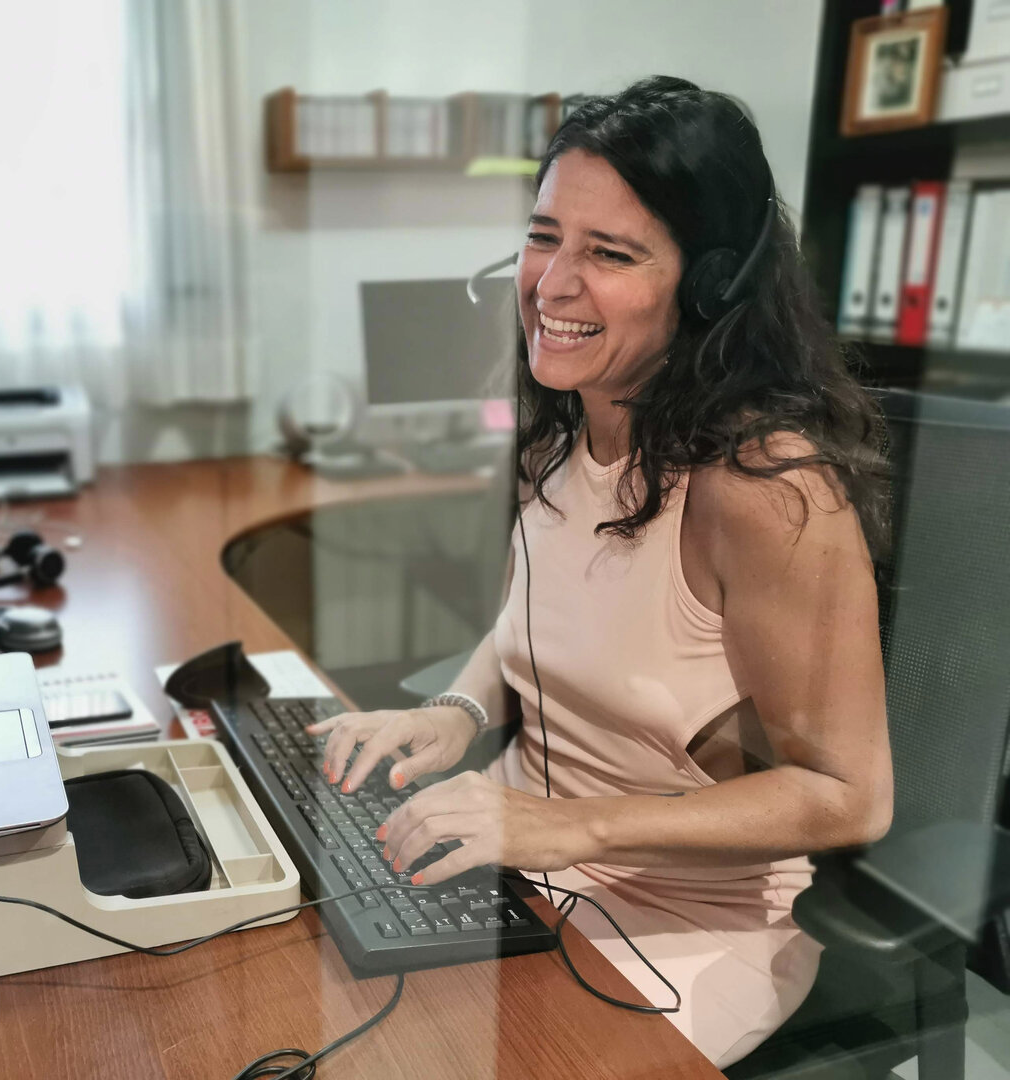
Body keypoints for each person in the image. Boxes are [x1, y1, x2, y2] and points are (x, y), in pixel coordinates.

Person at [308, 76, 894, 1069]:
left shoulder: (763, 488)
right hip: (524, 865)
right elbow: (533, 627)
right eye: (545, 237)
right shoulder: (565, 429)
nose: (553, 283)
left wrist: (561, 828)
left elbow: (848, 797)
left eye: (611, 253)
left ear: (707, 285)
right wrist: (450, 714)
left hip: (687, 922)